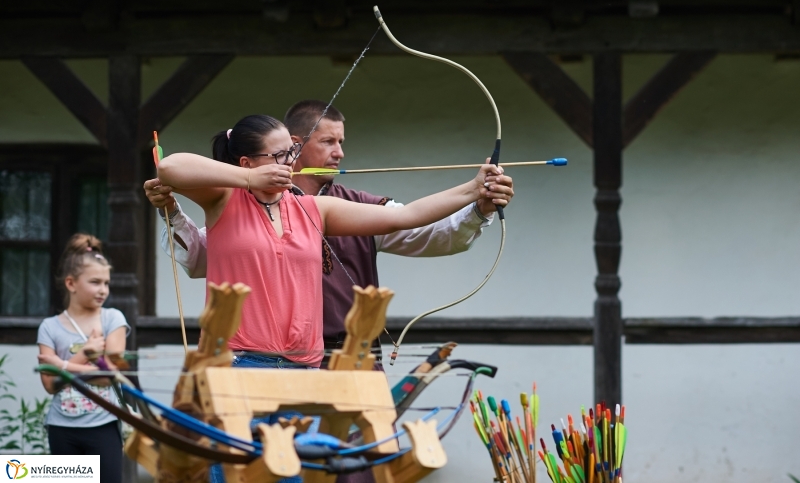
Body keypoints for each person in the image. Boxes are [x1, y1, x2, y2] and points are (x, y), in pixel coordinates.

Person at [145, 100, 514, 362]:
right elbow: (172, 168)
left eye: (290, 153)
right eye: (279, 156)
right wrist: (248, 179)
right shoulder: (224, 200)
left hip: (306, 364)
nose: (289, 162)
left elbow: (408, 217)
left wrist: (474, 190)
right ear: (247, 162)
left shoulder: (315, 208)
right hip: (240, 361)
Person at [37, 234, 129, 483]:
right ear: (71, 283)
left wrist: (61, 366)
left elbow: (108, 376)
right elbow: (49, 384)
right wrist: (83, 355)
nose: (103, 290)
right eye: (96, 282)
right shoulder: (49, 327)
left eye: (106, 283)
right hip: (61, 428)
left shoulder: (113, 320)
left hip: (104, 425)